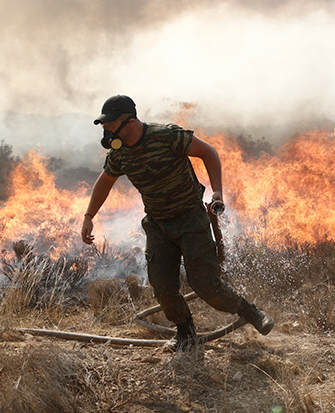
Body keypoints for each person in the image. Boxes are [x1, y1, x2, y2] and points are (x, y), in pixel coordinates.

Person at [80, 94, 274, 352]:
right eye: (104, 124)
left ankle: (250, 311)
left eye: (110, 123)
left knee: (206, 286)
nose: (106, 129)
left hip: (190, 218)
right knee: (162, 286)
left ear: (129, 121)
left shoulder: (167, 135)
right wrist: (89, 216)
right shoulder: (120, 154)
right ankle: (185, 331)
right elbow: (105, 181)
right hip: (158, 224)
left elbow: (208, 152)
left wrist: (217, 192)